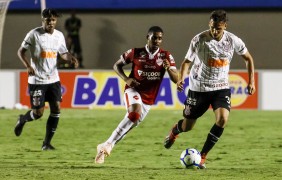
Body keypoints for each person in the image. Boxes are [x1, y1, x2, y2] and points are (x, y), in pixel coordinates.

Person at [163, 10, 256, 169]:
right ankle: (175, 131)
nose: (214, 31)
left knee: (222, 120)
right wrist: (181, 79)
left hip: (221, 88)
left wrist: (251, 81)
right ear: (209, 24)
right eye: (212, 27)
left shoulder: (233, 40)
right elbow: (186, 62)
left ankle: (203, 156)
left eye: (218, 28)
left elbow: (248, 58)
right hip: (199, 88)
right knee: (188, 126)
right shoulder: (199, 40)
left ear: (225, 26)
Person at [95, 26, 178, 164]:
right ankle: (107, 146)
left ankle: (106, 145)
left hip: (148, 100)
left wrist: (168, 68)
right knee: (134, 114)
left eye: (160, 38)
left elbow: (176, 79)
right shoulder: (135, 52)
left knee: (129, 125)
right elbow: (117, 66)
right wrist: (127, 79)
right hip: (133, 91)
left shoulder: (166, 56)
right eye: (154, 37)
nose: (157, 40)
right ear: (148, 37)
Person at [14, 9, 79, 150]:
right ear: (43, 20)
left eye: (53, 20)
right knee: (38, 114)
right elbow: (20, 51)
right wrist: (27, 66)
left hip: (54, 79)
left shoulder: (59, 36)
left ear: (56, 21)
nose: (51, 23)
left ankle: (46, 143)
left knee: (56, 108)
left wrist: (71, 58)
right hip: (37, 80)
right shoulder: (34, 34)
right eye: (48, 20)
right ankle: (23, 119)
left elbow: (63, 53)